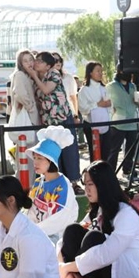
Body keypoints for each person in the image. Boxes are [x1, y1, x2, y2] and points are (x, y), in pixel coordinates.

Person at [58, 161, 139, 278]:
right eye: (85, 185)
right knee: (73, 230)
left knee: (94, 237)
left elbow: (107, 253)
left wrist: (68, 268)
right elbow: (64, 241)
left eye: (91, 184)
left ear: (103, 185)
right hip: (107, 270)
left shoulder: (126, 214)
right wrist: (63, 267)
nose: (86, 190)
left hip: (131, 276)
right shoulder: (99, 209)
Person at [27, 51, 82, 194]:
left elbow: (46, 90)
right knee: (53, 153)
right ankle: (57, 183)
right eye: (36, 60)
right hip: (49, 122)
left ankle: (74, 183)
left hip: (62, 118)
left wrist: (34, 76)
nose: (36, 63)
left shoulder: (54, 74)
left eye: (40, 61)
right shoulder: (37, 78)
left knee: (69, 151)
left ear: (48, 65)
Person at [26, 126, 79, 244]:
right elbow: (31, 210)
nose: (35, 162)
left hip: (55, 236)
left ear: (51, 161)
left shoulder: (63, 186)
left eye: (39, 158)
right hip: (34, 232)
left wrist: (31, 230)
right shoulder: (38, 182)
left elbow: (58, 220)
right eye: (34, 158)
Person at [78, 61, 113, 164]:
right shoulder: (84, 90)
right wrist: (97, 104)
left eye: (101, 71)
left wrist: (109, 104)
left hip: (106, 122)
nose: (100, 73)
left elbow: (111, 105)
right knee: (95, 153)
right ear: (90, 73)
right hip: (91, 124)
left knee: (106, 152)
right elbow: (83, 109)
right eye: (97, 71)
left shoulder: (104, 88)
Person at [106, 67, 139, 176]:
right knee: (114, 149)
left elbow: (136, 102)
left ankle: (128, 168)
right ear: (119, 71)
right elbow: (107, 102)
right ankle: (111, 171)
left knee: (131, 148)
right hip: (118, 122)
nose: (129, 75)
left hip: (132, 121)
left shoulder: (133, 86)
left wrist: (138, 102)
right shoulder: (111, 86)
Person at [8, 49, 41, 143]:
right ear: (20, 63)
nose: (29, 63)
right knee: (28, 145)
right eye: (25, 61)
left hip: (30, 115)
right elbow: (20, 94)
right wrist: (31, 107)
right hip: (28, 115)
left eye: (31, 59)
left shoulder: (29, 75)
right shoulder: (20, 75)